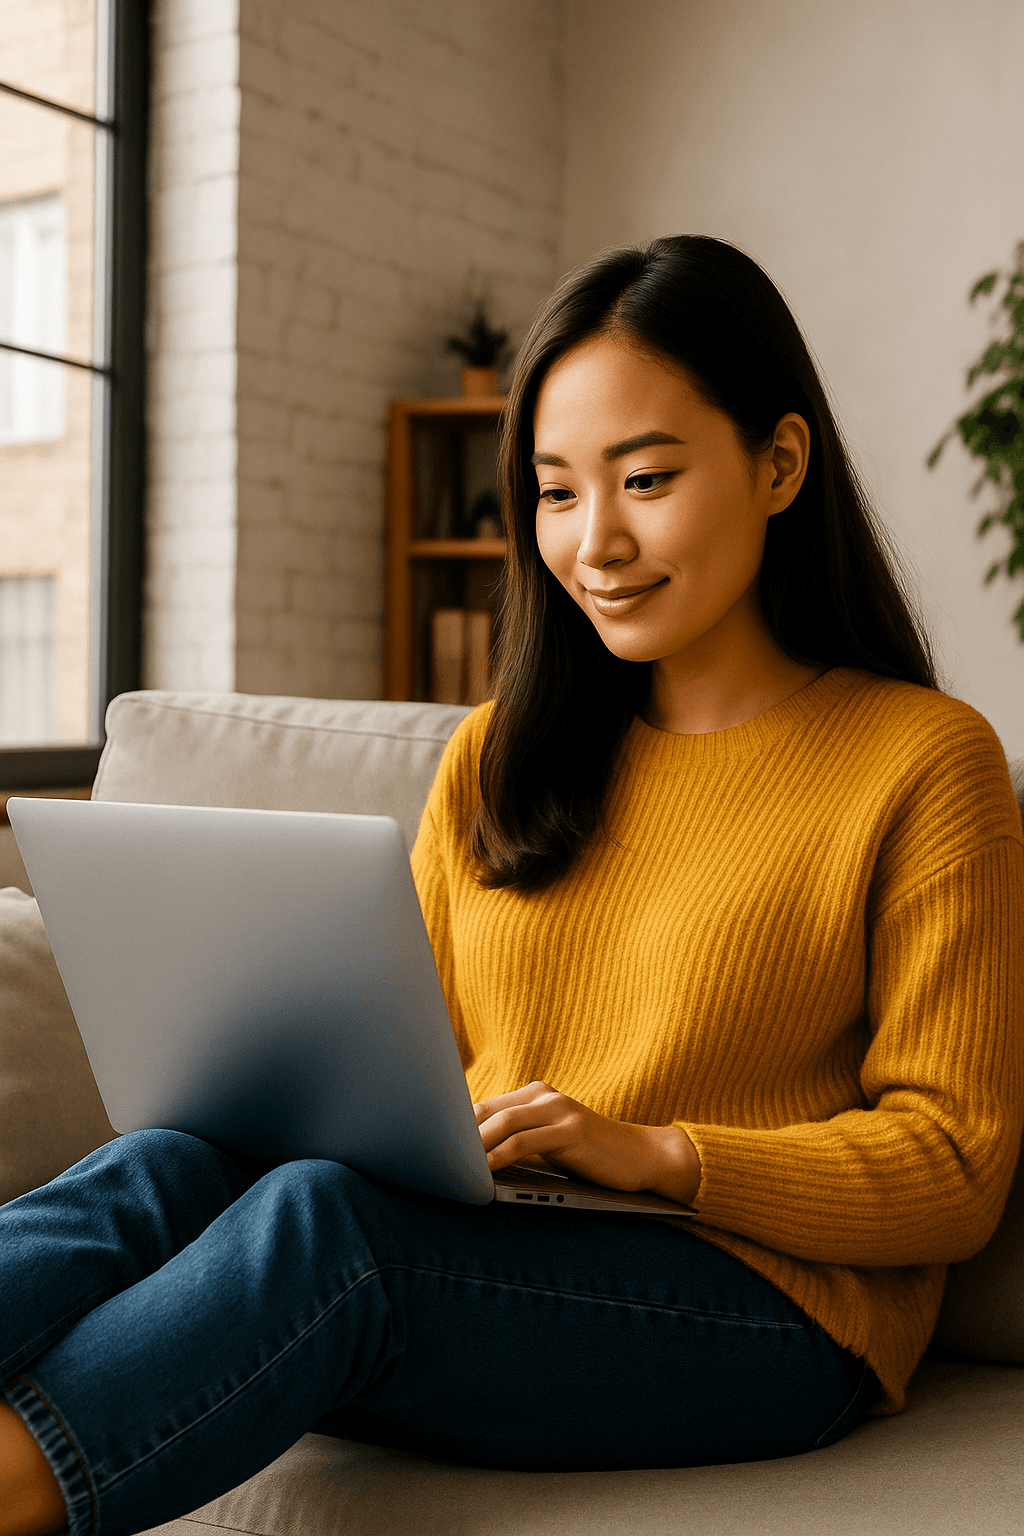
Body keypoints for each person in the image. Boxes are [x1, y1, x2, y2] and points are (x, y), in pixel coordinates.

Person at [2, 234, 1022, 1536]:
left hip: (768, 1308)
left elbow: (956, 1165)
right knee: (168, 1161)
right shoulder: (502, 753)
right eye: (553, 492)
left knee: (328, 1223)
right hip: (489, 1247)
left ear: (779, 464)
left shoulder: (924, 763)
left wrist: (658, 1156)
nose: (595, 542)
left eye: (646, 479)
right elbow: (406, 1060)